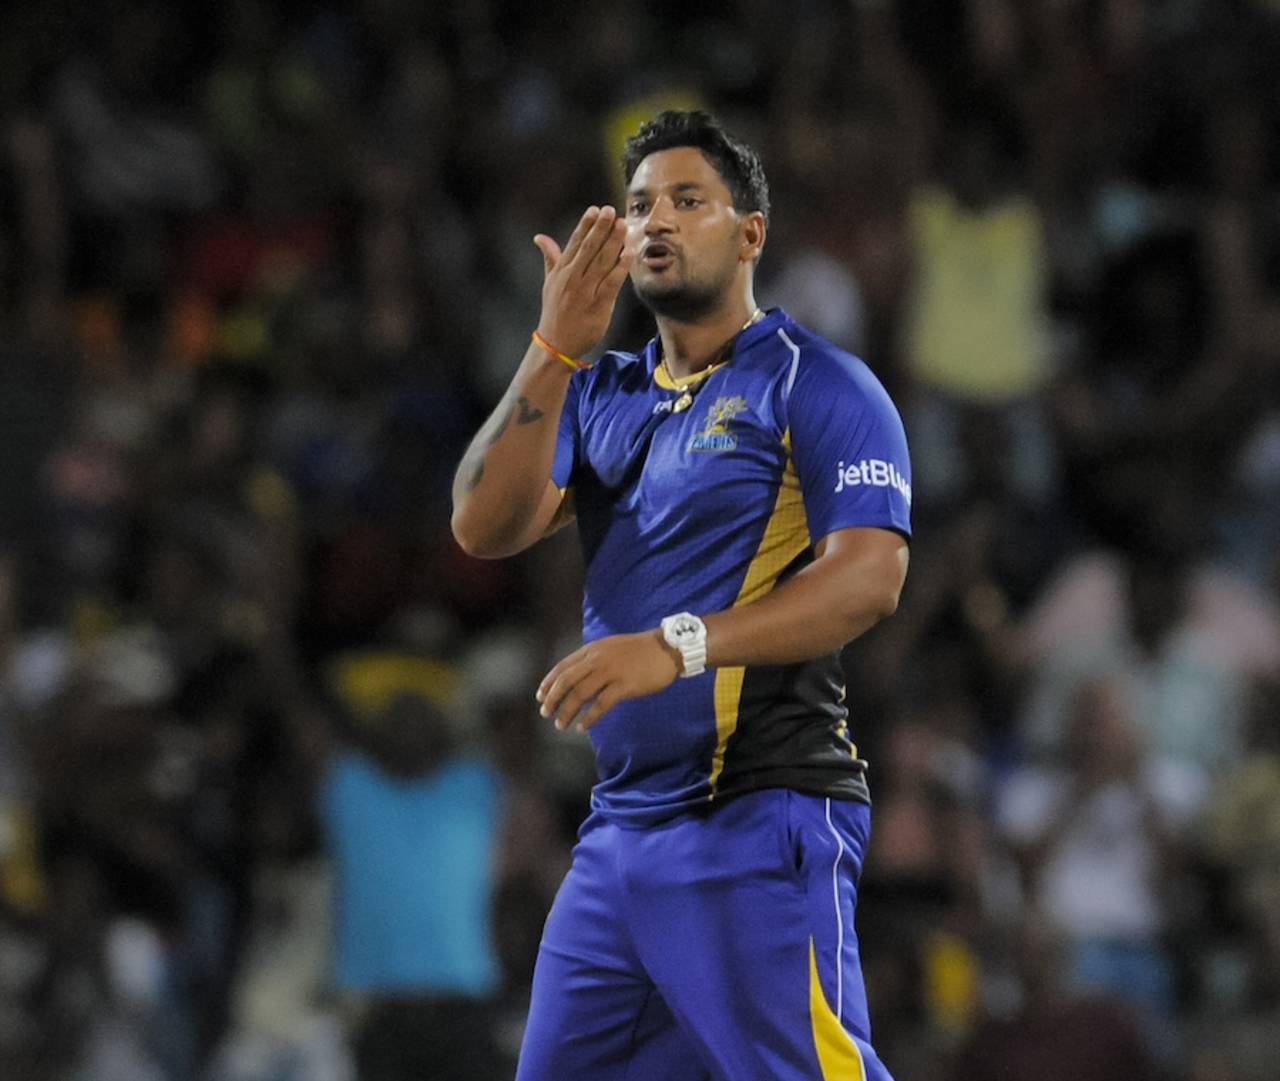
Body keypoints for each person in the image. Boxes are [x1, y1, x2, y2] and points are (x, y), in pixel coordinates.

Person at [451, 110, 912, 1081]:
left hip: (754, 815)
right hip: (618, 840)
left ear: (749, 233)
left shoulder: (814, 383)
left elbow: (869, 579)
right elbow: (480, 526)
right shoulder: (600, 391)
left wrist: (679, 644)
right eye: (636, 205)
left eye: (686, 200)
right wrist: (552, 345)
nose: (653, 219)